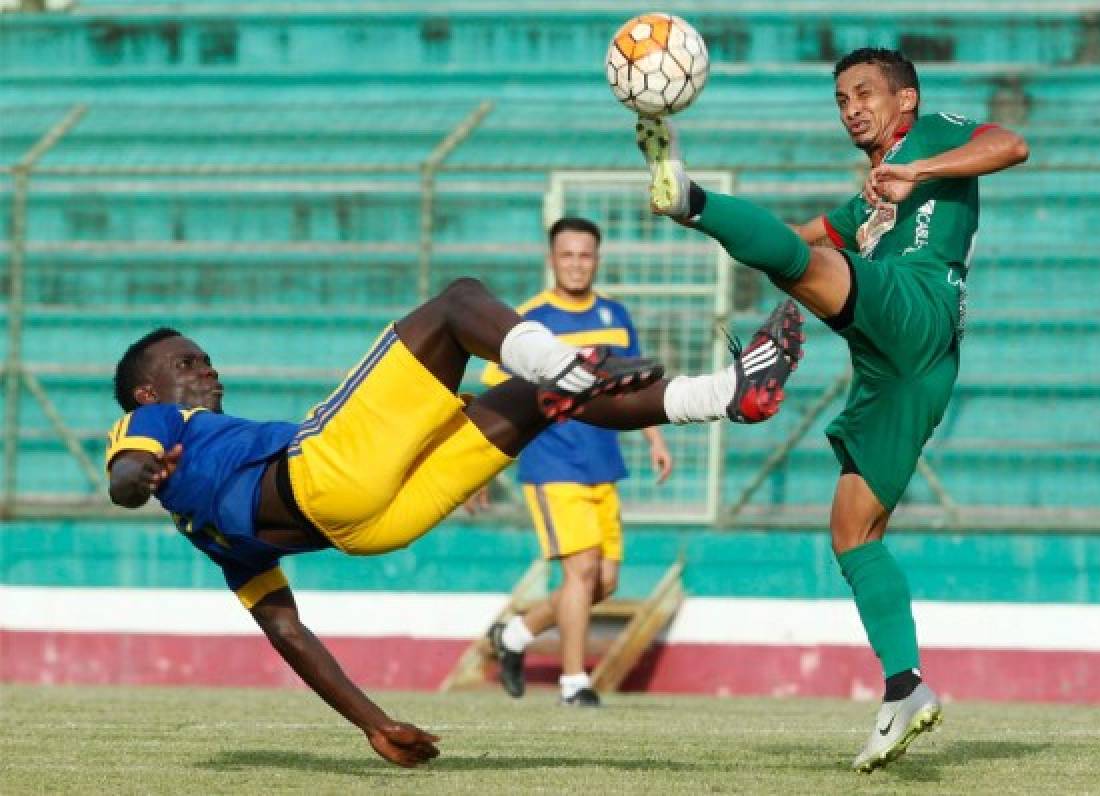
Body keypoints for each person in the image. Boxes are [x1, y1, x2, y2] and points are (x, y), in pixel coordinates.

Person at [105, 277, 804, 767]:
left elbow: (286, 629)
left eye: (206, 359)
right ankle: (568, 367)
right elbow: (123, 479)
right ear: (146, 392)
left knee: (535, 401)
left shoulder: (199, 522)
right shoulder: (157, 422)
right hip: (325, 471)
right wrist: (140, 475)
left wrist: (374, 725)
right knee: (459, 301)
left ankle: (730, 395)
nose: (207, 369)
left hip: (371, 529)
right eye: (186, 363)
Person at [633, 48, 1029, 772]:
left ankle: (688, 195)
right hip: (901, 369)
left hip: (920, 304)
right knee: (852, 530)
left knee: (803, 266)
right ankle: (905, 687)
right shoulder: (870, 198)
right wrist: (745, 250)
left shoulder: (935, 133)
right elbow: (806, 237)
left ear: (904, 99)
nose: (852, 107)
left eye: (865, 93)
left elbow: (1012, 145)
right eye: (842, 98)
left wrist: (918, 171)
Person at [478, 217, 672, 708]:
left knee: (603, 583)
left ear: (597, 259)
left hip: (603, 462)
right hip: (551, 463)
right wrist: (483, 466)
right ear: (551, 259)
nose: (576, 263)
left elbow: (637, 386)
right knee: (581, 573)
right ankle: (573, 683)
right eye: (567, 255)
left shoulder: (614, 314)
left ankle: (517, 635)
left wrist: (654, 438)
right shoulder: (528, 321)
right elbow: (495, 389)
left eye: (585, 255)